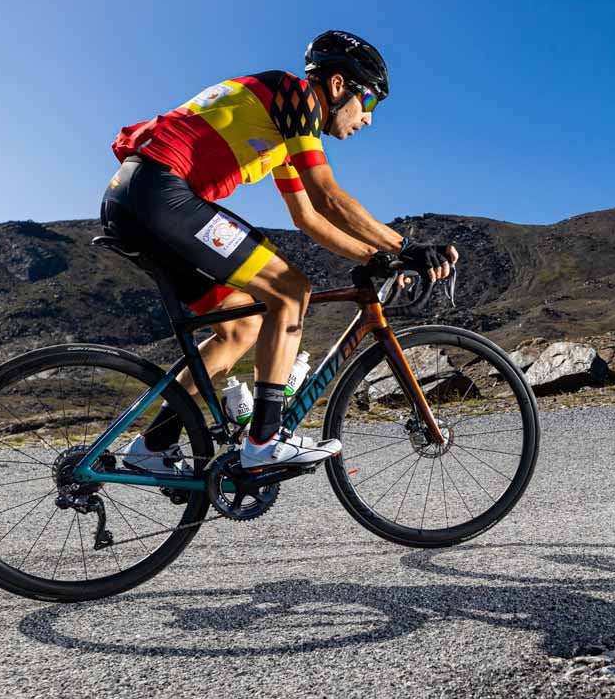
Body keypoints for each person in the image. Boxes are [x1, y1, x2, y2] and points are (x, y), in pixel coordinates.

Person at [99, 30, 458, 472]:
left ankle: (153, 447)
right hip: (160, 194)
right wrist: (407, 246)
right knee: (290, 289)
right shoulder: (297, 96)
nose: (368, 120)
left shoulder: (287, 127)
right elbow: (327, 196)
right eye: (370, 103)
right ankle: (263, 442)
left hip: (134, 198)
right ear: (339, 85)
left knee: (241, 328)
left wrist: (374, 255)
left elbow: (308, 218)